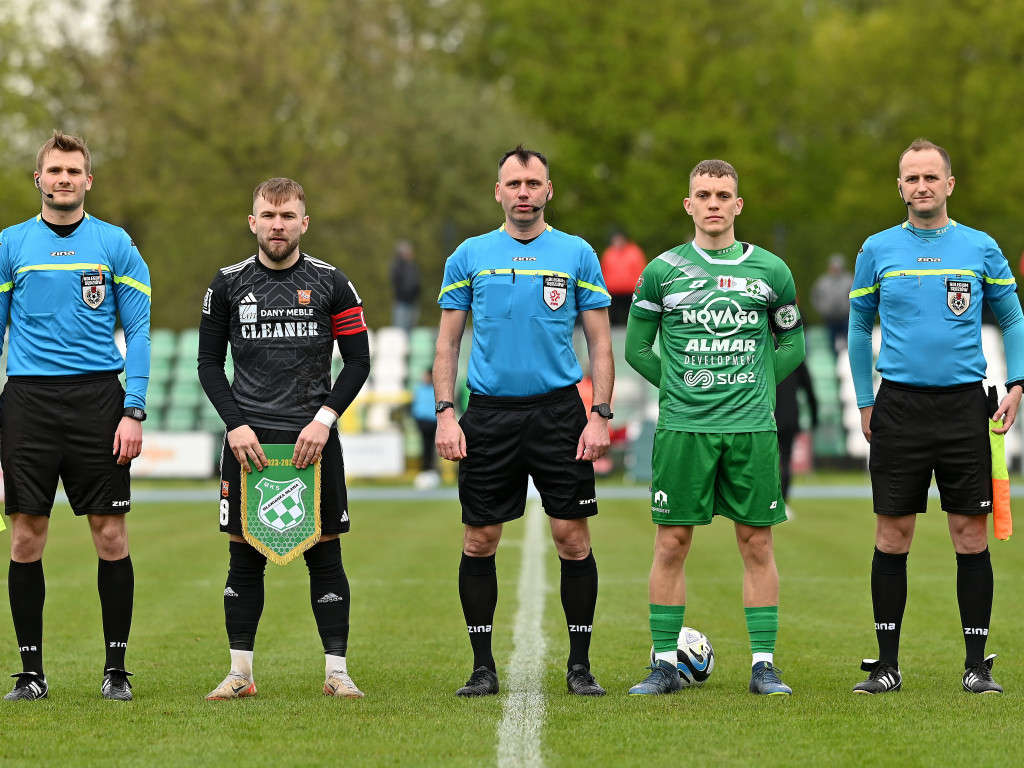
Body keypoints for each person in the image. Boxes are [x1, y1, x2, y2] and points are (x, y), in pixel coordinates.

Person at [434, 145, 614, 697]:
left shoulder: (577, 253)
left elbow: (601, 343)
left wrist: (599, 413)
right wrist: (447, 413)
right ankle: (482, 667)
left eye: (533, 183)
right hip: (489, 414)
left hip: (560, 412)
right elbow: (447, 343)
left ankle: (579, 666)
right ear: (498, 192)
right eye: (513, 183)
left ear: (548, 190)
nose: (523, 192)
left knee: (572, 538)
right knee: (480, 539)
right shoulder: (469, 255)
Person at [848, 138, 1024, 695]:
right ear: (898, 187)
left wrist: (1018, 385)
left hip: (964, 408)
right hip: (898, 406)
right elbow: (857, 328)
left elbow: (1013, 318)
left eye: (931, 177)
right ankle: (887, 665)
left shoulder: (980, 247)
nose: (920, 186)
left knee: (970, 536)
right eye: (911, 178)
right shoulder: (876, 250)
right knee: (892, 534)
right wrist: (863, 399)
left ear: (949, 184)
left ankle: (976, 666)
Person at [625, 158, 805, 697]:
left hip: (751, 428)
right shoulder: (661, 271)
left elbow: (792, 344)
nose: (713, 203)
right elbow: (636, 348)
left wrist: (756, 384)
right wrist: (680, 385)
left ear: (738, 204)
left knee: (756, 543)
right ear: (689, 204)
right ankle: (662, 664)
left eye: (723, 195)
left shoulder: (772, 271)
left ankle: (764, 665)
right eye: (703, 194)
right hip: (684, 428)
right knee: (672, 542)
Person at [197, 177, 371, 700]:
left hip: (312, 442)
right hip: (248, 443)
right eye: (268, 217)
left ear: (304, 222)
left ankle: (337, 672)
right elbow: (208, 364)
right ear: (253, 221)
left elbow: (359, 360)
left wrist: (325, 419)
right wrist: (235, 423)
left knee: (326, 554)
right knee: (243, 557)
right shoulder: (227, 284)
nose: (278, 226)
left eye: (288, 216)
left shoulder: (331, 282)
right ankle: (240, 674)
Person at [1, 130, 151, 702]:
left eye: (73, 171)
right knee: (25, 538)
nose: (63, 179)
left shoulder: (115, 244)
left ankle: (116, 671)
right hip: (28, 402)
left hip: (98, 401)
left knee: (110, 534)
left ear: (88, 181)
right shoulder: (10, 245)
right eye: (54, 170)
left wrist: (132, 408)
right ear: (38, 179)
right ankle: (30, 675)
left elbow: (137, 331)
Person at [775, 359, 818, 505]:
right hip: (789, 416)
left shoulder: (762, 352)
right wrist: (814, 418)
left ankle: (766, 502)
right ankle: (783, 503)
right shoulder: (795, 357)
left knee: (764, 462)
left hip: (764, 416)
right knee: (785, 461)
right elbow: (809, 388)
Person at [600, 231, 647, 326]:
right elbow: (603, 270)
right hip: (613, 292)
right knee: (613, 318)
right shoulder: (609, 253)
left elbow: (641, 270)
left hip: (630, 291)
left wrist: (640, 288)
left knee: (630, 317)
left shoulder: (634, 252)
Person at [811, 253, 854, 352]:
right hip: (829, 318)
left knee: (849, 341)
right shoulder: (822, 281)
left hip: (845, 317)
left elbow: (855, 296)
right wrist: (822, 308)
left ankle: (846, 362)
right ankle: (835, 362)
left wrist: (848, 307)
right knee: (831, 342)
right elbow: (815, 297)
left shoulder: (849, 280)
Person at [390, 239, 421, 332]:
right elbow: (396, 284)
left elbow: (417, 283)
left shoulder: (413, 266)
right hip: (401, 302)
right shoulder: (397, 267)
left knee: (411, 329)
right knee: (400, 330)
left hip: (413, 302)